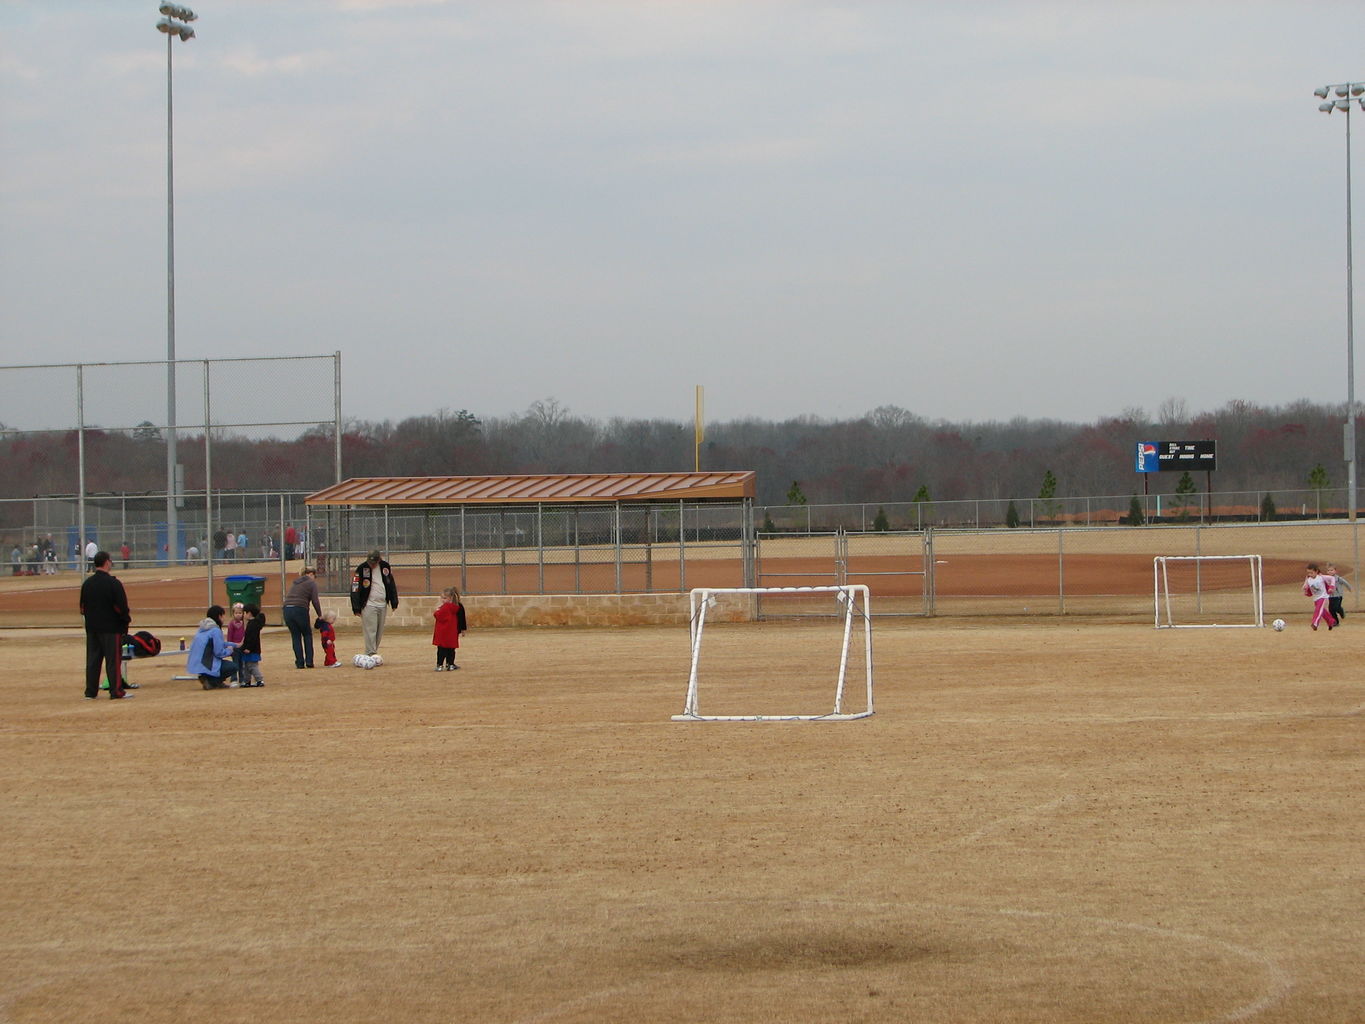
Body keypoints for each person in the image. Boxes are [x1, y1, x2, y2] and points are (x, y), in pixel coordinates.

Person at [80, 551, 132, 700]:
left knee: (92, 661)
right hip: (111, 629)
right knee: (113, 661)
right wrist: (125, 622)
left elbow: (82, 608)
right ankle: (116, 691)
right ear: (106, 562)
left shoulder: (87, 584)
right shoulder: (113, 583)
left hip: (92, 628)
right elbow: (121, 607)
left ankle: (90, 691)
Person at [351, 549, 399, 658]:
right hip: (368, 604)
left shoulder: (385, 567)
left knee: (379, 631)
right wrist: (356, 607)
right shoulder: (362, 568)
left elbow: (391, 584)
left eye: (374, 563)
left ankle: (373, 651)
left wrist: (394, 601)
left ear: (379, 560)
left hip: (382, 604)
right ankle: (370, 653)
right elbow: (355, 587)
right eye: (370, 563)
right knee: (370, 630)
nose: (372, 565)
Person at [187, 605, 239, 689]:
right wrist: (230, 650)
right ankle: (213, 681)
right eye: (223, 616)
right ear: (219, 616)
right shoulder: (215, 631)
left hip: (197, 665)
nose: (224, 618)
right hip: (208, 664)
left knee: (221, 663)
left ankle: (209, 678)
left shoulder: (202, 628)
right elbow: (219, 652)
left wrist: (234, 644)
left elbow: (219, 643)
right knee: (233, 667)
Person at [283, 565, 323, 668]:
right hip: (300, 609)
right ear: (310, 574)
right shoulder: (311, 583)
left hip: (287, 609)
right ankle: (309, 661)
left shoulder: (295, 583)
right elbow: (315, 601)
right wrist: (320, 615)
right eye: (314, 575)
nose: (315, 578)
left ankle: (299, 663)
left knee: (295, 636)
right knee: (307, 634)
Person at [432, 587, 468, 671]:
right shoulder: (457, 607)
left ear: (450, 598)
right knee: (451, 649)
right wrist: (462, 629)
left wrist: (437, 611)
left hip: (443, 633)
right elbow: (462, 618)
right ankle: (450, 664)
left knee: (441, 650)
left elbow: (438, 616)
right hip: (452, 632)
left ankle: (440, 665)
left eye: (444, 598)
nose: (442, 600)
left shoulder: (445, 607)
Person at [237, 603, 267, 687]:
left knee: (252, 666)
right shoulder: (253, 623)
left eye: (244, 613)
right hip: (250, 649)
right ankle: (247, 681)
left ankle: (259, 680)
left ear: (249, 613)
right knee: (246, 666)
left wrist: (248, 648)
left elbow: (252, 638)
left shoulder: (252, 625)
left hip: (252, 650)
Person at [1303, 563, 1337, 632]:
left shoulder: (1321, 577)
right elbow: (1306, 588)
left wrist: (1331, 587)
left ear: (1316, 571)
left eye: (1311, 573)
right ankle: (1332, 621)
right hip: (1316, 598)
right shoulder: (1308, 579)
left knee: (1318, 610)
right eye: (1308, 573)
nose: (1310, 574)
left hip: (1323, 596)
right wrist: (1306, 591)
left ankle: (1315, 624)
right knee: (1323, 612)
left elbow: (1332, 578)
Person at [224, 603, 247, 682]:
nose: (238, 615)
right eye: (236, 613)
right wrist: (230, 645)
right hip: (234, 647)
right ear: (233, 613)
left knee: (242, 663)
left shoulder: (244, 623)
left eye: (240, 613)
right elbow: (229, 635)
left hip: (242, 646)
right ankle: (233, 679)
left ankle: (242, 679)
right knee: (235, 663)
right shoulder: (231, 624)